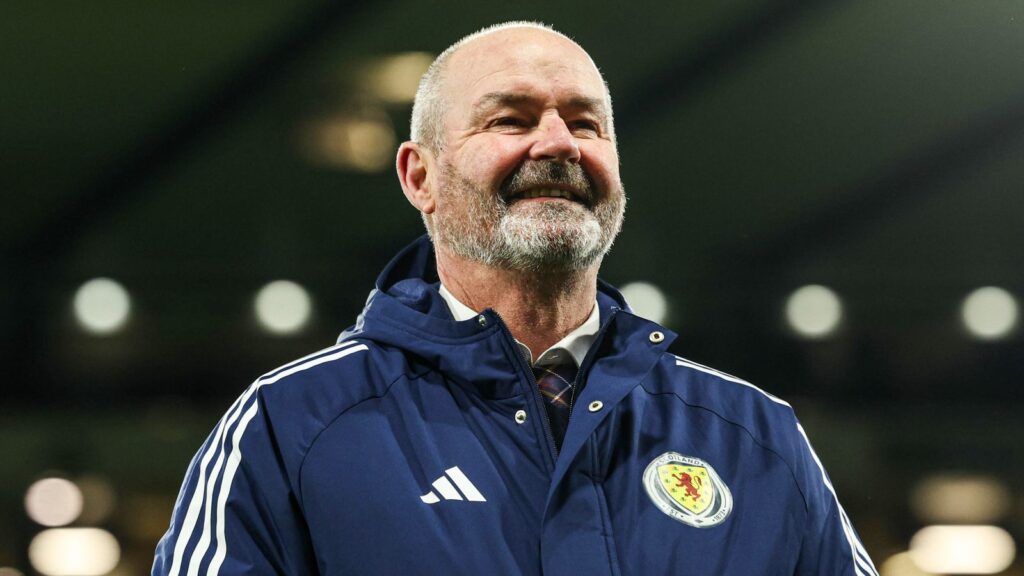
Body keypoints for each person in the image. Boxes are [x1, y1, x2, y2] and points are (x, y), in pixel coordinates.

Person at [153, 22, 877, 575]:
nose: (559, 144)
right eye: (511, 119)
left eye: (586, 123)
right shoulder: (288, 425)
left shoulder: (756, 435)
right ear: (420, 177)